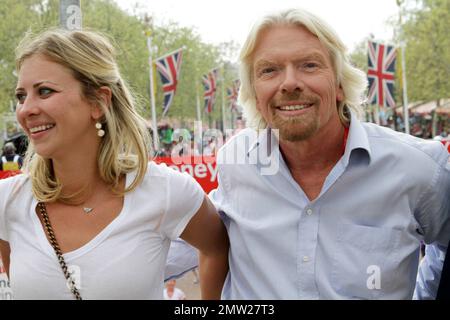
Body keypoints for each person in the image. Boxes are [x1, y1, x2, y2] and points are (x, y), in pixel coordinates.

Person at [208, 8, 450, 299]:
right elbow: (179, 234)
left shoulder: (421, 168)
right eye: (269, 70)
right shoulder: (236, 161)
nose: (289, 83)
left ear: (339, 85)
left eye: (309, 65)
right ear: (255, 96)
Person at [0, 28, 228, 300]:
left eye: (45, 91)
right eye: (21, 96)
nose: (26, 109)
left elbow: (218, 248)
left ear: (98, 102)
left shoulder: (166, 190)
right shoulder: (8, 201)